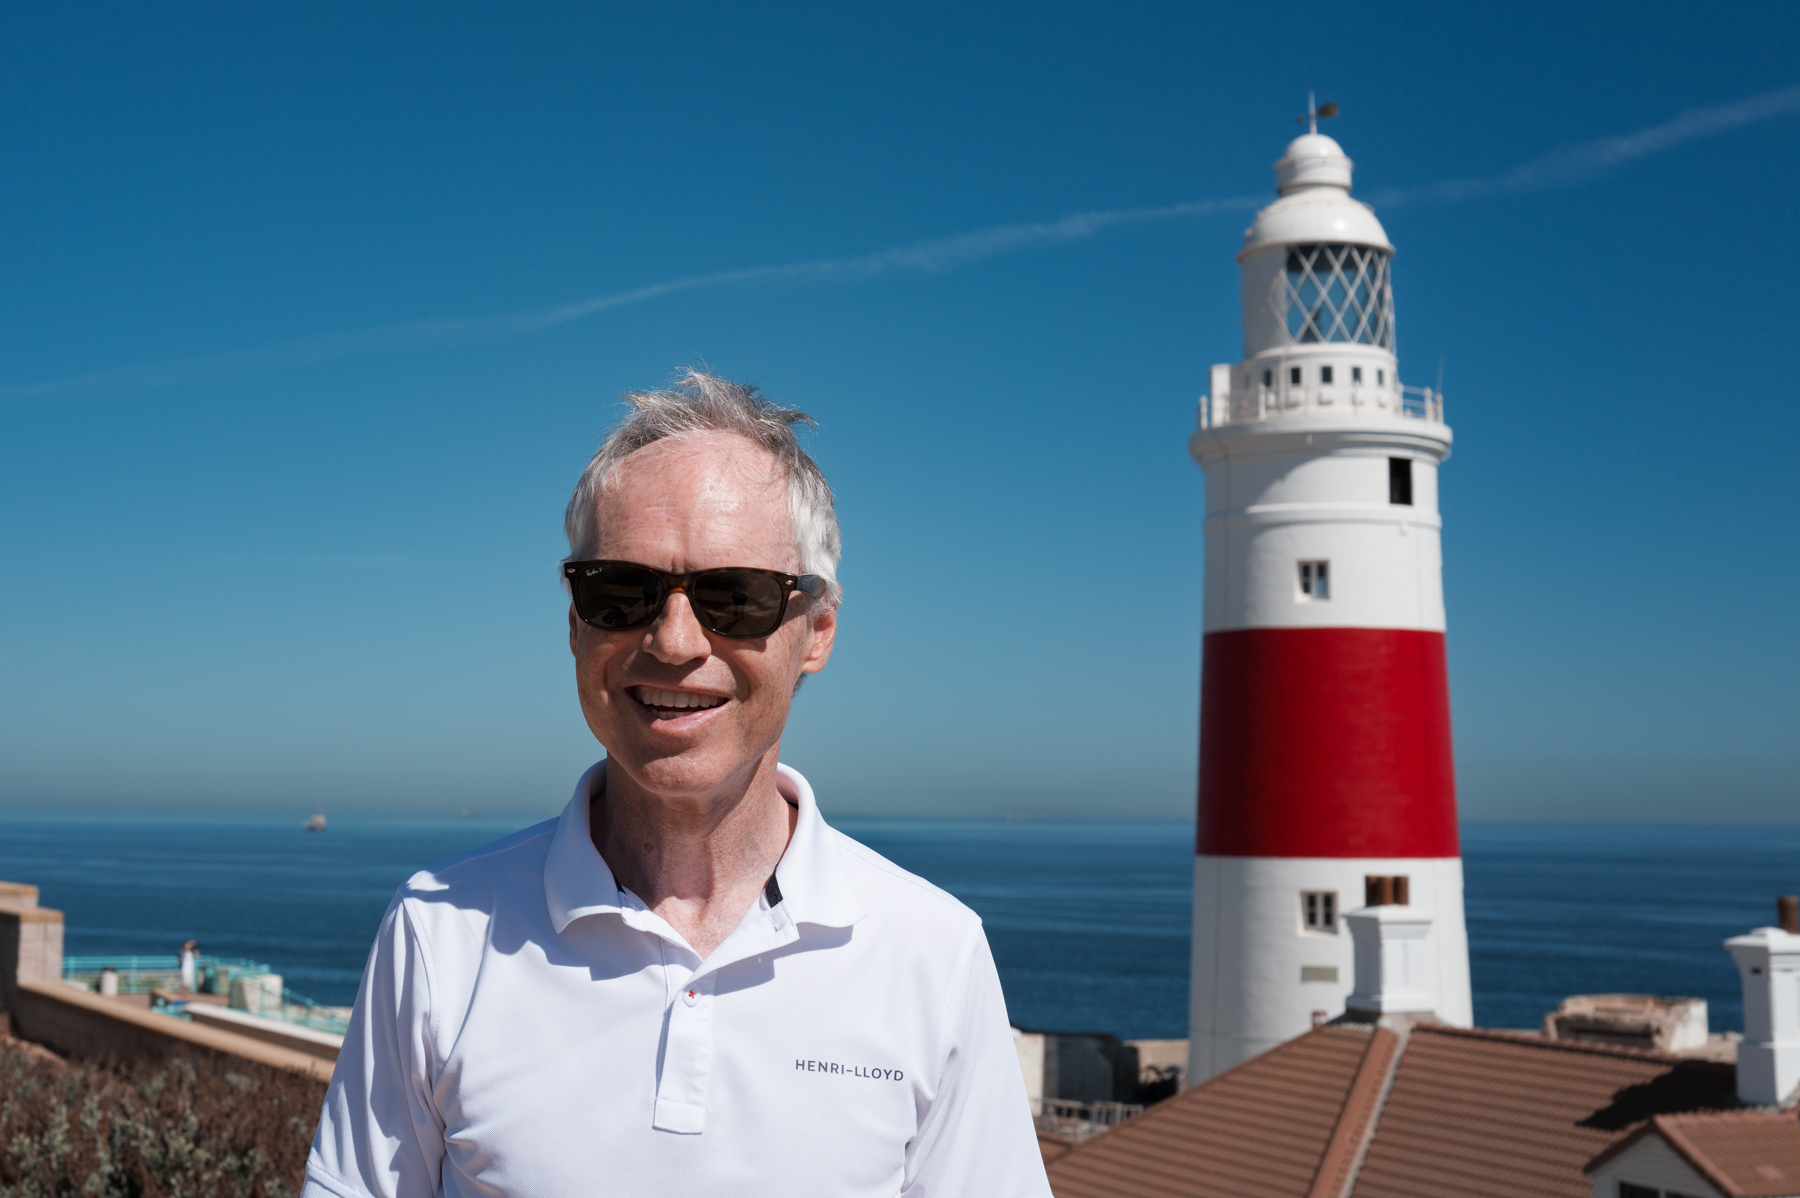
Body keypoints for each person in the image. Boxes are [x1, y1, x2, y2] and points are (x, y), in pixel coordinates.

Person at [304, 370, 1051, 1197]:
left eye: (736, 597)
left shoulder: (931, 956)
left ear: (817, 632)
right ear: (575, 623)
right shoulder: (436, 937)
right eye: (622, 591)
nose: (674, 639)